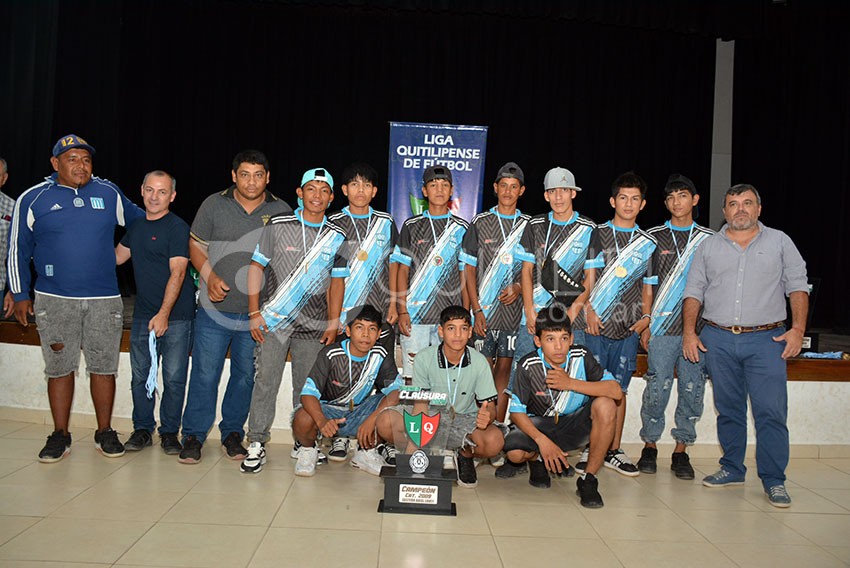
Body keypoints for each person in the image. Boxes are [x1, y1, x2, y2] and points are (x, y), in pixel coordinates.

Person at [7, 134, 144, 461]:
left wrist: (124, 250)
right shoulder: (33, 198)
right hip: (54, 299)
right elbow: (17, 249)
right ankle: (60, 434)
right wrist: (19, 293)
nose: (80, 165)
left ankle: (105, 431)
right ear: (55, 164)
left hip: (105, 299)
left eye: (86, 159)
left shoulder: (108, 192)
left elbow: (143, 220)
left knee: (104, 367)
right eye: (72, 159)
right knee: (59, 368)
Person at [683, 183, 808, 508]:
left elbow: (797, 286)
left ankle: (774, 479)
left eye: (747, 203)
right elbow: (694, 291)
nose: (740, 209)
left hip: (767, 340)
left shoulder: (780, 242)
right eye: (733, 204)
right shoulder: (709, 247)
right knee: (729, 409)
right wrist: (689, 333)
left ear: (758, 209)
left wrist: (797, 330)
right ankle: (732, 468)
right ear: (724, 211)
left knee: (770, 411)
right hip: (718, 338)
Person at [178, 150, 291, 464]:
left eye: (258, 175)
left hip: (256, 314)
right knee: (204, 372)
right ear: (233, 176)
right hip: (215, 310)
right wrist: (209, 275)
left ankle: (232, 434)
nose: (251, 181)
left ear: (267, 177)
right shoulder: (214, 204)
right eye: (244, 174)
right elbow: (196, 245)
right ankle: (193, 435)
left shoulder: (281, 209)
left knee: (244, 376)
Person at [242, 167, 348, 471]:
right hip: (275, 321)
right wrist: (253, 312)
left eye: (324, 191)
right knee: (266, 381)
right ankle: (257, 442)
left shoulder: (337, 235)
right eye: (311, 189)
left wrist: (333, 320)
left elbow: (337, 282)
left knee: (307, 387)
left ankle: (305, 444)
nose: (317, 196)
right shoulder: (278, 224)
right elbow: (255, 267)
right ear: (300, 193)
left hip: (313, 325)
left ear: (331, 197)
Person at [499, 166, 598, 479]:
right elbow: (526, 271)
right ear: (545, 195)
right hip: (536, 320)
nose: (559, 196)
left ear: (573, 193)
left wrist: (574, 311)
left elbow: (590, 277)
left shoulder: (588, 228)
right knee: (527, 380)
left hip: (571, 321)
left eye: (564, 191)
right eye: (553, 191)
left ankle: (554, 454)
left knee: (567, 382)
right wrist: (529, 310)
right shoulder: (535, 226)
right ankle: (525, 451)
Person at [576, 172, 656, 477]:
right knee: (593, 388)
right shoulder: (596, 234)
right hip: (594, 326)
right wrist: (589, 310)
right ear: (613, 201)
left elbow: (648, 286)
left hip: (628, 329)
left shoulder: (647, 243)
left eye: (635, 199)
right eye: (623, 197)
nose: (628, 203)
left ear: (643, 204)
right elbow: (587, 280)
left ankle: (614, 450)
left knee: (619, 390)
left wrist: (645, 319)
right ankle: (590, 446)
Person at [504, 305, 621, 508]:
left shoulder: (582, 356)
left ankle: (588, 479)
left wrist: (570, 384)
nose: (558, 347)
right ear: (538, 341)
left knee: (606, 404)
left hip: (573, 424)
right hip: (541, 425)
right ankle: (537, 459)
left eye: (564, 338)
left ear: (572, 339)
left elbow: (616, 391)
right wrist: (542, 442)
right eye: (550, 339)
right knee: (514, 454)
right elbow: (516, 413)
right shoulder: (528, 364)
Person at [636, 175, 714, 479]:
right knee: (657, 386)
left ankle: (682, 449)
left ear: (694, 200)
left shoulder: (710, 240)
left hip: (700, 330)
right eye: (670, 197)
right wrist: (645, 324)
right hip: (662, 329)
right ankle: (650, 445)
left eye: (682, 196)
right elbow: (647, 285)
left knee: (692, 387)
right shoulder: (654, 237)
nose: (676, 202)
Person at [377, 305, 505, 489]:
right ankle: (423, 454)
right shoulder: (423, 358)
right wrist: (415, 449)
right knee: (385, 421)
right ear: (441, 331)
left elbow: (490, 406)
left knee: (495, 441)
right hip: (430, 416)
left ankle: (464, 454)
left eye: (463, 328)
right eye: (451, 328)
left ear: (470, 332)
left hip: (464, 418)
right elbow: (420, 403)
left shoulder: (480, 362)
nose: (458, 334)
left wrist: (488, 416)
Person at [115, 171, 195, 455]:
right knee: (140, 376)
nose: (154, 197)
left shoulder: (177, 227)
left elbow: (179, 271)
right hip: (142, 316)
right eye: (149, 190)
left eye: (162, 192)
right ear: (141, 190)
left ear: (172, 196)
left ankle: (170, 433)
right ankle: (142, 429)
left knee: (173, 378)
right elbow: (115, 258)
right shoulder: (136, 227)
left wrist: (163, 314)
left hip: (176, 316)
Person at [327, 163, 399, 461]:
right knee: (341, 380)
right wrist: (334, 319)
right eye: (354, 184)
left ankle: (381, 436)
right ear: (344, 190)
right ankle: (340, 437)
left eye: (366, 185)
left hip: (379, 319)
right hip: (345, 320)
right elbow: (331, 274)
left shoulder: (385, 222)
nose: (360, 190)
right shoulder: (333, 223)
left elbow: (395, 265)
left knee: (382, 379)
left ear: (374, 191)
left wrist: (395, 303)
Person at [288, 305, 402, 477]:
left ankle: (366, 452)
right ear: (348, 331)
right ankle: (308, 450)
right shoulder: (330, 353)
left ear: (379, 334)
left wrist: (372, 419)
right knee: (303, 416)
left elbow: (395, 392)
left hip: (360, 411)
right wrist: (321, 421)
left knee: (389, 413)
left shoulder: (381, 353)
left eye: (372, 329)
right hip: (330, 412)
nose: (365, 335)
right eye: (359, 328)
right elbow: (308, 394)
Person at [461, 162, 530, 426]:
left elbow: (535, 269)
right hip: (483, 313)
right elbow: (468, 269)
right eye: (504, 186)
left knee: (505, 367)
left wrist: (518, 287)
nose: (508, 191)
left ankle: (497, 426)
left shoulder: (529, 225)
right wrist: (475, 309)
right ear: (495, 188)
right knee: (482, 368)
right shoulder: (480, 221)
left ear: (521, 191)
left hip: (514, 313)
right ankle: (480, 426)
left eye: (514, 187)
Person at [392, 165, 469, 379]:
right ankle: (413, 415)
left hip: (449, 318)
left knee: (445, 378)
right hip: (414, 318)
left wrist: (465, 313)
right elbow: (401, 271)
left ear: (451, 190)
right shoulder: (411, 225)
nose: (439, 190)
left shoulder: (462, 228)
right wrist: (402, 310)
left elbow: (466, 274)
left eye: (445, 185)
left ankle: (441, 415)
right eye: (433, 185)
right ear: (424, 191)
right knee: (413, 378)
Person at [1, 157, 15, 316]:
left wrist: (14, 290)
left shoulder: (13, 208)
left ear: (4, 179)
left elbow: (17, 252)